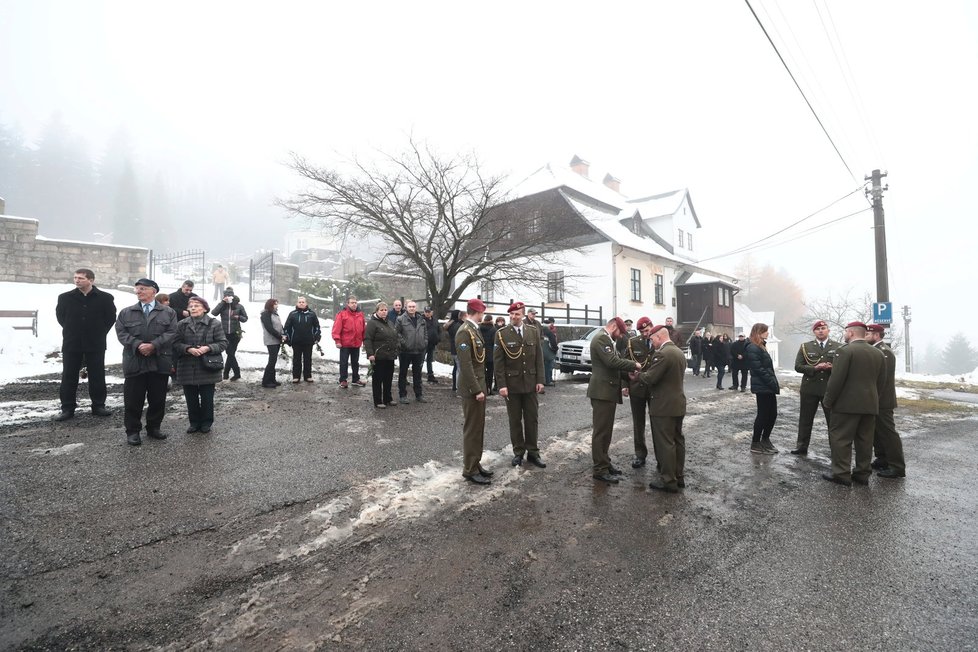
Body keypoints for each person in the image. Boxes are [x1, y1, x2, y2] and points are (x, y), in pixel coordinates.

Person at [821, 321, 886, 487]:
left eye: (845, 331)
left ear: (850, 333)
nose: (844, 334)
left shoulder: (845, 351)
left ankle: (841, 474)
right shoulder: (878, 353)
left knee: (841, 438)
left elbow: (836, 380)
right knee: (865, 441)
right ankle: (862, 474)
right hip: (869, 404)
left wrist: (828, 400)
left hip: (846, 405)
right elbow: (881, 381)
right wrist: (873, 398)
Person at [115, 278, 178, 446]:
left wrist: (154, 345)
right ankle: (133, 431)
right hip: (135, 360)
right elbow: (121, 333)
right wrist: (138, 345)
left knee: (158, 398)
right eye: (137, 289)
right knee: (133, 399)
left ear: (153, 291)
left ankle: (154, 428)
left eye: (143, 288)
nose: (138, 292)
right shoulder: (126, 312)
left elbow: (172, 332)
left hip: (159, 361)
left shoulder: (168, 312)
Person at [54, 268, 117, 421]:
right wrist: (73, 330)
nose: (77, 280)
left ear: (91, 280)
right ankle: (67, 408)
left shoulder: (105, 298)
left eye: (81, 278)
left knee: (97, 375)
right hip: (72, 342)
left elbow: (110, 318)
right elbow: (61, 317)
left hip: (95, 343)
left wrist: (98, 332)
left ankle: (98, 406)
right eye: (75, 277)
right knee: (69, 376)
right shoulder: (65, 298)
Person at [588, 317, 643, 484]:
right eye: (620, 332)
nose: (620, 336)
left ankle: (605, 462)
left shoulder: (607, 340)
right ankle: (600, 469)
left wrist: (627, 375)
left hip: (607, 392)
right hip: (602, 392)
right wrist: (634, 365)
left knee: (607, 432)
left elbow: (613, 367)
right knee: (601, 432)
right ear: (613, 326)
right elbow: (611, 362)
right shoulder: (601, 339)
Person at [494, 301, 547, 468]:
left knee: (532, 419)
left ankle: (533, 452)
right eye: (511, 314)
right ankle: (518, 452)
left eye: (516, 314)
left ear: (523, 315)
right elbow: (498, 362)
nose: (513, 317)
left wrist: (540, 380)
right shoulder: (502, 334)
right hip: (512, 384)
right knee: (515, 420)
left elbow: (539, 357)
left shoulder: (533, 331)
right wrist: (501, 385)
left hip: (531, 383)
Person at [638, 323, 688, 492]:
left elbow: (651, 378)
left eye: (652, 339)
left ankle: (668, 480)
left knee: (665, 443)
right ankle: (678, 476)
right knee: (677, 440)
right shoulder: (679, 352)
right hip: (677, 404)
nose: (652, 343)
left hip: (663, 405)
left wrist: (637, 375)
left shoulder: (663, 354)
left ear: (659, 337)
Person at [174, 296, 227, 434]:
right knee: (190, 397)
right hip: (187, 365)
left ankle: (206, 423)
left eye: (197, 305)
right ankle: (194, 422)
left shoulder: (214, 323)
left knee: (207, 397)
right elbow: (175, 343)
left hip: (207, 366)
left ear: (204, 308)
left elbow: (223, 343)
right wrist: (188, 349)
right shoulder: (182, 324)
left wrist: (207, 348)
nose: (193, 308)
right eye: (191, 305)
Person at [456, 298, 493, 485]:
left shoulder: (474, 330)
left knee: (479, 427)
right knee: (472, 429)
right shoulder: (464, 332)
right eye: (482, 313)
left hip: (479, 386)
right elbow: (466, 364)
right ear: (477, 313)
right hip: (473, 389)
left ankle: (475, 463)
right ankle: (469, 469)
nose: (482, 316)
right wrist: (477, 389)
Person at [791, 319, 840, 455]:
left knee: (833, 421)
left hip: (830, 389)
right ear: (814, 332)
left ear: (828, 331)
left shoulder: (838, 346)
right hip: (810, 388)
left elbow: (844, 367)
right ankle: (801, 446)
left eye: (823, 328)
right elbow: (798, 366)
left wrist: (832, 367)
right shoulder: (806, 347)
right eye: (818, 329)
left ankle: (836, 449)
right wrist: (814, 368)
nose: (820, 331)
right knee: (805, 419)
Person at [866, 323, 906, 479]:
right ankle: (882, 459)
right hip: (875, 399)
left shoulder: (884, 352)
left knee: (888, 433)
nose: (864, 336)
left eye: (868, 334)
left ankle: (897, 466)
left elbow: (881, 380)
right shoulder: (875, 350)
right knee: (877, 432)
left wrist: (875, 398)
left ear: (876, 335)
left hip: (882, 400)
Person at [622, 317, 657, 469]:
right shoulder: (632, 342)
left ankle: (661, 457)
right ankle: (640, 454)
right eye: (642, 331)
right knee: (638, 423)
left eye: (647, 330)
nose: (645, 334)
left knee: (657, 423)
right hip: (636, 388)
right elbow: (625, 364)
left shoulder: (659, 341)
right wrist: (625, 384)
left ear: (652, 326)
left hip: (655, 388)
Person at [745, 322, 780, 455]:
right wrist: (771, 381)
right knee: (763, 415)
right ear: (759, 332)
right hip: (763, 386)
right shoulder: (753, 347)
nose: (768, 333)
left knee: (772, 414)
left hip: (767, 386)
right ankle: (755, 443)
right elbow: (758, 369)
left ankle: (765, 439)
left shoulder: (761, 346)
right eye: (766, 331)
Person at [363, 301, 399, 408]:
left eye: (385, 310)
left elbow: (394, 337)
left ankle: (388, 398)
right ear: (377, 311)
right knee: (378, 379)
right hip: (378, 355)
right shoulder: (372, 323)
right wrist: (370, 353)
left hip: (390, 355)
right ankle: (378, 400)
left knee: (388, 378)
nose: (384, 312)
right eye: (381, 310)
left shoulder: (390, 323)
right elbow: (368, 339)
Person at [211, 287, 248, 381]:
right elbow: (214, 313)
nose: (228, 297)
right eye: (226, 296)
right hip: (224, 333)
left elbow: (245, 318)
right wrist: (223, 302)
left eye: (230, 295)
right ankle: (236, 373)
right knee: (230, 353)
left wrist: (238, 317)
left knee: (230, 353)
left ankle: (226, 373)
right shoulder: (222, 305)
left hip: (235, 333)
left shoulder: (239, 306)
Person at [396, 300, 428, 403]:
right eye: (410, 306)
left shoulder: (421, 320)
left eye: (413, 306)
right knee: (403, 374)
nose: (412, 308)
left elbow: (425, 333)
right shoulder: (400, 319)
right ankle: (402, 395)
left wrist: (424, 342)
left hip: (418, 351)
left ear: (416, 307)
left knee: (417, 374)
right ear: (406, 307)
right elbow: (397, 333)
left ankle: (419, 395)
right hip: (405, 351)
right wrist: (404, 343)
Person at [284, 296, 321, 383]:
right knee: (296, 359)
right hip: (296, 341)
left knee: (307, 359)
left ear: (306, 303)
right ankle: (296, 376)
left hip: (308, 341)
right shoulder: (292, 314)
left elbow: (317, 327)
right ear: (297, 303)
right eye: (299, 302)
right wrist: (288, 338)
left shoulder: (312, 314)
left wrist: (316, 336)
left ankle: (308, 376)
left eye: (303, 302)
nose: (301, 303)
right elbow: (287, 327)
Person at [332, 295, 366, 389]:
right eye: (352, 303)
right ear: (348, 304)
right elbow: (336, 328)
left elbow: (363, 329)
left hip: (356, 343)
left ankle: (355, 379)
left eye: (355, 302)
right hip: (345, 343)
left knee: (355, 362)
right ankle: (343, 380)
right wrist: (337, 340)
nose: (354, 304)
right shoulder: (342, 314)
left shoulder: (360, 314)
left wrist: (365, 341)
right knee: (344, 362)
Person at [260, 298, 285, 388]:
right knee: (272, 360)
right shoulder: (265, 314)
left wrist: (283, 334)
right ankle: (266, 381)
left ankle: (272, 379)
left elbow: (279, 325)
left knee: (273, 360)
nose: (277, 305)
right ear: (270, 305)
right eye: (275, 304)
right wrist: (280, 336)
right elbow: (269, 328)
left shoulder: (275, 313)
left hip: (277, 339)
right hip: (271, 340)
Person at [447, 309, 465, 392]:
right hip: (457, 349)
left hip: (453, 348)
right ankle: (458, 386)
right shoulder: (457, 326)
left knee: (456, 368)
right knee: (459, 368)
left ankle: (455, 385)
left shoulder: (450, 325)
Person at [479, 314, 497, 394]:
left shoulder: (478, 328)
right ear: (491, 320)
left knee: (482, 372)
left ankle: (483, 388)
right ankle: (489, 388)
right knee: (490, 372)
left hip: (480, 353)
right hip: (490, 353)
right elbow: (494, 341)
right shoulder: (493, 329)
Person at [423, 306, 441, 383]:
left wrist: (438, 338)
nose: (427, 313)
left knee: (429, 360)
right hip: (423, 344)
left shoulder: (435, 320)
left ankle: (430, 375)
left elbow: (438, 330)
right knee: (420, 360)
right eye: (426, 312)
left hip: (432, 343)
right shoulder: (421, 320)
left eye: (429, 312)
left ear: (431, 312)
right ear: (424, 312)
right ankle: (417, 375)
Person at [541, 317, 558, 386]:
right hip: (548, 353)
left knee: (542, 367)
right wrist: (556, 349)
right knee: (548, 367)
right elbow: (553, 344)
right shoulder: (550, 333)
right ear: (549, 325)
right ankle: (548, 381)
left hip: (540, 352)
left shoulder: (539, 331)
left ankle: (542, 380)